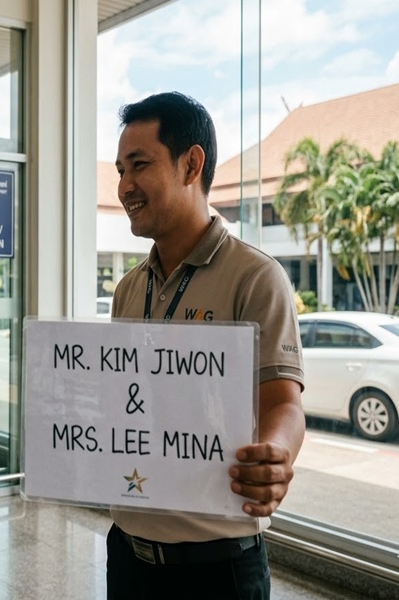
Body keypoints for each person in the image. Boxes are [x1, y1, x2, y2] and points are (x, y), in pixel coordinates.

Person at [107, 91, 305, 599]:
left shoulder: (257, 278)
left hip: (217, 570)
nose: (125, 186)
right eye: (120, 170)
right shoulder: (129, 288)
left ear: (191, 164)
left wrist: (277, 454)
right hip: (127, 554)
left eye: (139, 166)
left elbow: (283, 402)